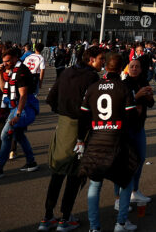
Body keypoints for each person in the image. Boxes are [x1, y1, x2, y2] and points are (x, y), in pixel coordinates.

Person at [40, 45, 104, 232]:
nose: (103, 63)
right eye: (101, 59)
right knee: (75, 174)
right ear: (91, 59)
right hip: (81, 128)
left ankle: (47, 216)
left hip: (63, 125)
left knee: (57, 171)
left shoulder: (67, 72)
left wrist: (63, 112)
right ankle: (65, 217)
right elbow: (92, 107)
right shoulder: (92, 77)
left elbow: (51, 98)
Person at [79, 51, 140, 232]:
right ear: (122, 68)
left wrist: (81, 139)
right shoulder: (123, 88)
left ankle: (94, 227)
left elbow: (83, 117)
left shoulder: (93, 87)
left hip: (96, 139)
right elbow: (131, 117)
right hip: (117, 140)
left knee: (95, 183)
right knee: (125, 181)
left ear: (105, 66)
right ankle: (121, 222)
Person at [0, 47, 40, 179]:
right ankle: (31, 162)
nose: (5, 64)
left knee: (5, 135)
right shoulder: (11, 71)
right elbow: (4, 88)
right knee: (18, 135)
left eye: (8, 61)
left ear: (15, 58)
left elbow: (23, 95)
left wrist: (18, 114)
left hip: (23, 108)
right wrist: (0, 73)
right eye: (4, 61)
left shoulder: (21, 72)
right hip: (17, 107)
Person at [116, 56, 154, 208]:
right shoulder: (124, 84)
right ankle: (119, 196)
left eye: (137, 66)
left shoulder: (144, 82)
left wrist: (149, 97)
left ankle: (134, 190)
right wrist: (136, 96)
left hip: (139, 126)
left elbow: (150, 104)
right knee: (125, 162)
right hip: (126, 128)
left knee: (141, 158)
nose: (134, 69)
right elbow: (120, 105)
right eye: (132, 66)